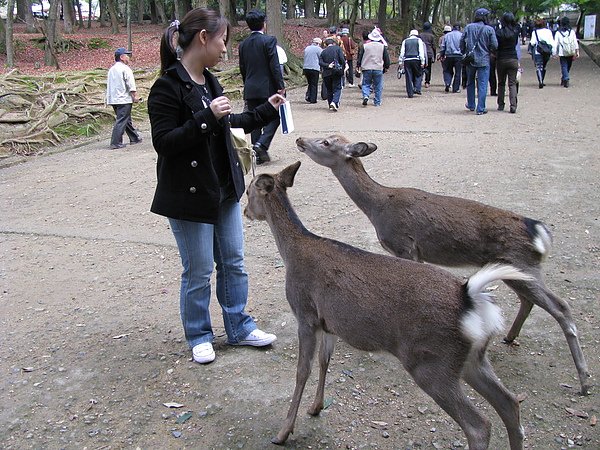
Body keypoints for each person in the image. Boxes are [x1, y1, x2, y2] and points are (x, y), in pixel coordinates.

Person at [147, 8, 284, 364]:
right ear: (204, 38)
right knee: (199, 271)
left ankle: (238, 327)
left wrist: (267, 110)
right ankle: (199, 334)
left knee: (234, 262)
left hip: (222, 189)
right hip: (188, 196)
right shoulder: (167, 86)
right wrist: (206, 118)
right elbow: (164, 142)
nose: (226, 49)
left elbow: (229, 122)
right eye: (223, 40)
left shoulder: (210, 81)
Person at [238, 9, 285, 164]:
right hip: (267, 88)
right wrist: (280, 86)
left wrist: (247, 84)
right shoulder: (269, 41)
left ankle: (257, 154)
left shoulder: (243, 44)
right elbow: (274, 65)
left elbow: (242, 68)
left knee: (255, 120)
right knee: (276, 117)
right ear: (263, 24)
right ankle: (261, 144)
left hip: (251, 87)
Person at [460, 8, 498, 115]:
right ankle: (481, 108)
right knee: (482, 84)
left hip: (470, 59)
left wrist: (464, 52)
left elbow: (462, 41)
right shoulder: (489, 29)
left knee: (470, 82)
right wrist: (488, 50)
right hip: (484, 59)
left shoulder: (468, 27)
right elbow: (495, 45)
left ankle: (471, 104)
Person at [106, 47, 142, 149]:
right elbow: (130, 84)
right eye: (127, 55)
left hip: (113, 99)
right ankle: (115, 142)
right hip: (123, 98)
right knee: (122, 120)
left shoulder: (112, 69)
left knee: (126, 119)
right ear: (122, 57)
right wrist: (134, 96)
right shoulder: (125, 69)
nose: (128, 58)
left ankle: (134, 137)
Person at [357, 28, 390, 106]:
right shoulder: (382, 47)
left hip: (366, 67)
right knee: (378, 85)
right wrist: (386, 66)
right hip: (378, 68)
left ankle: (366, 95)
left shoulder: (365, 46)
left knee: (366, 84)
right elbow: (386, 58)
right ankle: (377, 102)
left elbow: (360, 57)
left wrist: (358, 65)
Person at [495, 12, 520, 113]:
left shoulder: (499, 33)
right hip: (513, 58)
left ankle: (501, 104)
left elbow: (496, 46)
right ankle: (513, 105)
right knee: (512, 83)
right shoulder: (515, 32)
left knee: (501, 83)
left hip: (501, 59)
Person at [319, 37, 346, 111]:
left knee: (329, 89)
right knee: (338, 88)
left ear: (326, 44)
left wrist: (327, 65)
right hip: (336, 72)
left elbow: (320, 62)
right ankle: (334, 102)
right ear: (333, 43)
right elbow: (342, 60)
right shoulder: (337, 49)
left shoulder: (323, 52)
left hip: (326, 73)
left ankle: (330, 104)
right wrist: (343, 68)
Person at [553, 17, 579, 88]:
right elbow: (575, 42)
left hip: (562, 53)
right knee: (568, 66)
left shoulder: (558, 33)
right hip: (571, 51)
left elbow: (555, 44)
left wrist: (554, 53)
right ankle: (565, 78)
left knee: (564, 66)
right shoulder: (572, 32)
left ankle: (565, 78)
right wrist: (577, 52)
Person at [400, 29, 426, 98]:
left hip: (407, 60)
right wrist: (422, 61)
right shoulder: (419, 41)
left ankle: (410, 93)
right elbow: (421, 51)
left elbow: (402, 52)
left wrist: (400, 62)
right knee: (418, 74)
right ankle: (417, 88)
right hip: (416, 59)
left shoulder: (405, 41)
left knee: (408, 76)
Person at [529, 18, 555, 89]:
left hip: (538, 51)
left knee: (539, 66)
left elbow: (532, 42)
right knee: (544, 66)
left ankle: (540, 81)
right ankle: (542, 80)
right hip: (547, 51)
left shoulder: (535, 32)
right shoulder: (548, 31)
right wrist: (554, 52)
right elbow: (552, 42)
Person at [439, 23, 463, 93]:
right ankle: (456, 88)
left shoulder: (447, 36)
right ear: (459, 28)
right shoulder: (462, 35)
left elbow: (443, 46)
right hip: (459, 56)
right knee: (458, 72)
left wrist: (442, 54)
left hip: (448, 55)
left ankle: (447, 83)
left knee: (447, 70)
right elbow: (465, 45)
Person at [303, 37, 323, 103]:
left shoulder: (307, 48)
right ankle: (313, 99)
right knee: (314, 84)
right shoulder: (319, 49)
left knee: (310, 83)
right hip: (314, 68)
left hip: (306, 68)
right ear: (318, 43)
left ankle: (308, 95)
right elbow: (322, 57)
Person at [419, 22, 436, 88]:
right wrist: (433, 56)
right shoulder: (431, 36)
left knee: (420, 67)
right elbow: (434, 47)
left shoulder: (420, 35)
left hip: (421, 53)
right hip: (429, 53)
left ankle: (419, 80)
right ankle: (427, 81)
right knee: (428, 68)